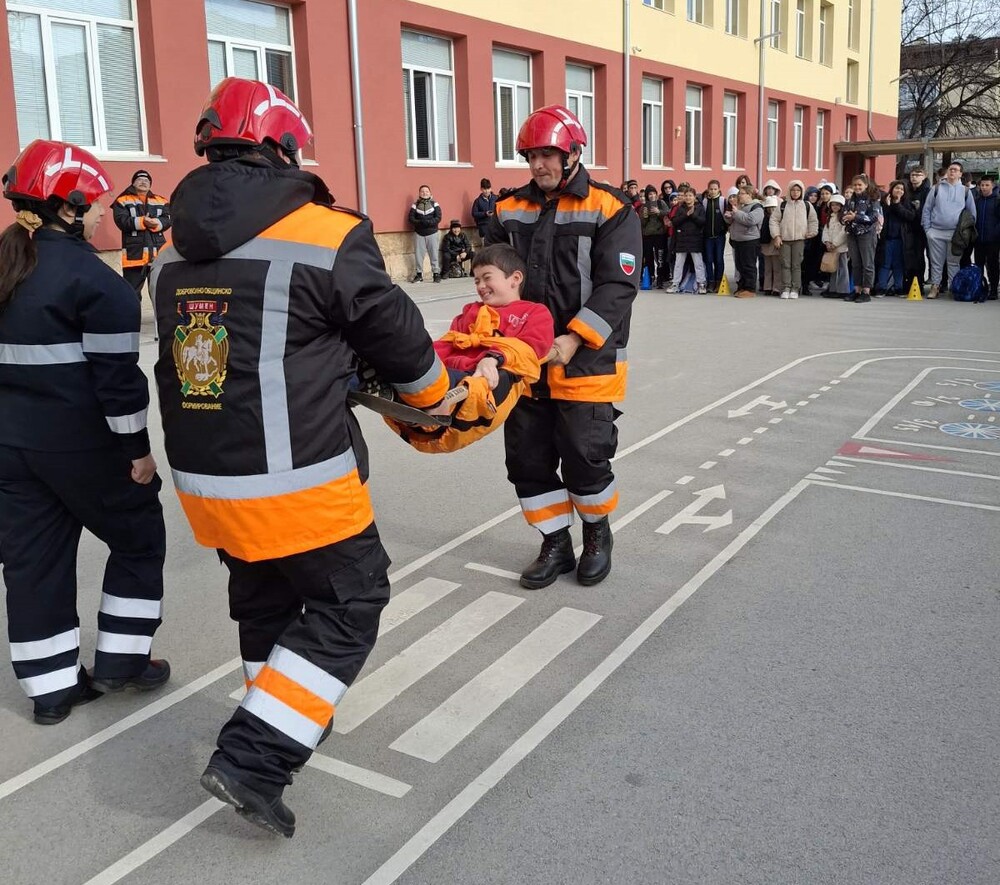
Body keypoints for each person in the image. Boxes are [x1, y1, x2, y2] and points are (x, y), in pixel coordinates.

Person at [150, 78, 450, 838]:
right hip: (300, 478)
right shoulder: (324, 232)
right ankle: (256, 755)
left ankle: (278, 711)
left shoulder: (166, 249)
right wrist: (434, 390)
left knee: (266, 600)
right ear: (284, 148)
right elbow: (394, 333)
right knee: (352, 601)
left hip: (209, 479)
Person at [0, 140, 168, 726]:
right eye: (95, 203)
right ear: (68, 208)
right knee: (139, 535)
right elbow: (118, 384)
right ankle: (123, 659)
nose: (104, 213)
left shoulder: (7, 267)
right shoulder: (97, 285)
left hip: (11, 452)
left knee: (32, 562)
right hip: (83, 449)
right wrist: (138, 453)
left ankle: (51, 691)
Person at [485, 104, 641, 590]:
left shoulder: (611, 207)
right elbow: (491, 278)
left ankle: (596, 534)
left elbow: (617, 285)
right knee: (527, 459)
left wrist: (575, 337)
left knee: (583, 453)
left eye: (549, 154)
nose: (539, 165)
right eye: (531, 156)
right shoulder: (508, 209)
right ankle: (555, 541)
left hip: (586, 357)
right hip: (524, 359)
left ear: (573, 153)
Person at [432, 243, 554, 397]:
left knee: (441, 387)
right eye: (477, 281)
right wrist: (426, 360)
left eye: (487, 278)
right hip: (449, 370)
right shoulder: (470, 311)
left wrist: (494, 357)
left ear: (515, 279)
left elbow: (531, 348)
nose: (481, 286)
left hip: (484, 380)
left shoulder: (534, 313)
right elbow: (448, 344)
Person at [922, 161, 976, 299]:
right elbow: (927, 209)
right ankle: (935, 286)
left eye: (955, 170)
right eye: (951, 169)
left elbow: (972, 214)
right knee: (936, 262)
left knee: (954, 262)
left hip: (955, 234)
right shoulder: (937, 188)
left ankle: (954, 287)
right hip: (936, 232)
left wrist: (965, 233)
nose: (952, 172)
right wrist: (928, 230)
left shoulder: (965, 191)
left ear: (960, 174)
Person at [112, 169, 171, 297]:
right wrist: (143, 222)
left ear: (150, 184)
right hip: (134, 255)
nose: (143, 182)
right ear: (133, 183)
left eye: (146, 180)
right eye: (139, 179)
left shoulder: (161, 200)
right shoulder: (122, 200)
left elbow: (169, 219)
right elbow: (121, 221)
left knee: (160, 292)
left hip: (157, 254)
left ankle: (160, 318)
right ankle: (131, 317)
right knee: (131, 292)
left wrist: (156, 223)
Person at [771, 180, 818, 299]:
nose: (795, 192)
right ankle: (786, 287)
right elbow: (774, 220)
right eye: (793, 190)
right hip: (784, 239)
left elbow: (813, 220)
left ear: (802, 191)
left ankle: (795, 288)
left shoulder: (806, 205)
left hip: (799, 239)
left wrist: (812, 232)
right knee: (785, 264)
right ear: (789, 191)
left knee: (796, 265)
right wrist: (776, 236)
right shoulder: (783, 205)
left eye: (798, 190)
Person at [843, 174, 883, 304]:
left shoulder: (873, 199)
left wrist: (856, 217)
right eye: (855, 185)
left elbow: (873, 218)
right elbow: (844, 213)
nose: (857, 187)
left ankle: (866, 291)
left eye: (860, 185)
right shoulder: (850, 199)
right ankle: (857, 290)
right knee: (856, 264)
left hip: (867, 234)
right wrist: (845, 218)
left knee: (867, 263)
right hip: (852, 234)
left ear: (866, 185)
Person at [876, 180, 916, 297]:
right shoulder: (884, 202)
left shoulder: (907, 203)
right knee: (885, 264)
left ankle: (899, 287)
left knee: (899, 265)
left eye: (902, 189)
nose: (899, 191)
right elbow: (881, 217)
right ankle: (881, 287)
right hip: (886, 239)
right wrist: (888, 206)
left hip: (901, 239)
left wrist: (897, 204)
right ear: (892, 189)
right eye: (897, 188)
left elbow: (910, 216)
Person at [666, 186, 707, 293]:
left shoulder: (699, 208)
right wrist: (686, 215)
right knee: (678, 263)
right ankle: (675, 284)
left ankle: (701, 283)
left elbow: (702, 222)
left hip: (695, 240)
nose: (688, 198)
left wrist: (692, 215)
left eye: (690, 196)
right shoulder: (680, 208)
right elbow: (675, 222)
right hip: (682, 240)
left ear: (694, 197)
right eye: (686, 196)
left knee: (698, 263)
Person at [726, 186, 763, 298]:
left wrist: (736, 213)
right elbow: (735, 220)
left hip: (750, 240)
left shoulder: (757, 207)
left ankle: (750, 289)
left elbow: (750, 220)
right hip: (738, 240)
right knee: (740, 265)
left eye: (742, 193)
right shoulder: (740, 207)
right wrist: (729, 216)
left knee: (749, 265)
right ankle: (742, 287)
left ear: (749, 195)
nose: (739, 196)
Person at [973, 173, 1000, 300]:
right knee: (978, 265)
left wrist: (995, 233)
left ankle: (993, 289)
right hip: (978, 240)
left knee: (993, 265)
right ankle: (980, 287)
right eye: (982, 185)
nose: (984, 187)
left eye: (987, 185)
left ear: (992, 186)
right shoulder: (977, 201)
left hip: (993, 240)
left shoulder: (997, 201)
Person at [408, 184, 442, 282]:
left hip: (432, 232)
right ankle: (419, 275)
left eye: (426, 191)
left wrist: (428, 222)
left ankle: (436, 274)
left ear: (430, 193)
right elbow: (410, 218)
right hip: (419, 233)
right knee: (419, 255)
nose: (424, 193)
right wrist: (419, 223)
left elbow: (438, 218)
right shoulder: (415, 205)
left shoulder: (435, 204)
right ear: (419, 193)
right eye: (422, 191)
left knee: (434, 254)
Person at [904, 166, 930, 287]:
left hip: (922, 228)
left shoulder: (927, 191)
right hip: (908, 228)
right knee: (909, 256)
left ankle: (919, 282)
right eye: (912, 175)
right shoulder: (906, 190)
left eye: (918, 175)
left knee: (920, 256)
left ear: (924, 177)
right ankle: (908, 281)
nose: (914, 177)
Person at [821, 194, 851, 297]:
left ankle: (843, 290)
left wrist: (835, 243)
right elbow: (826, 230)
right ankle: (833, 289)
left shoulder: (844, 217)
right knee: (833, 268)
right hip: (832, 248)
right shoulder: (830, 217)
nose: (835, 207)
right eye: (833, 205)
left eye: (837, 205)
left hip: (841, 248)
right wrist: (827, 242)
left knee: (843, 269)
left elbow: (844, 232)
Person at [701, 179, 729, 292]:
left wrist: (724, 229)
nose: (713, 191)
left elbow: (727, 217)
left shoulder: (722, 201)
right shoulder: (704, 202)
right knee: (708, 260)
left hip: (719, 236)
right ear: (708, 189)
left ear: (719, 189)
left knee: (719, 259)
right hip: (707, 237)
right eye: (711, 189)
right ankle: (710, 282)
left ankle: (718, 281)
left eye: (715, 189)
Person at [640, 185, 667, 288]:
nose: (652, 196)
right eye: (650, 194)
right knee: (648, 257)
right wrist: (645, 216)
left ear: (656, 194)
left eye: (653, 194)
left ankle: (660, 278)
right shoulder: (644, 206)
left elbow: (668, 213)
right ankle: (650, 277)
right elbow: (642, 222)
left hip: (659, 235)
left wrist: (659, 212)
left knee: (660, 257)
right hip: (647, 235)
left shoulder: (661, 203)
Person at [759, 195, 781, 297]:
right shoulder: (763, 218)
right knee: (767, 268)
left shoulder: (779, 218)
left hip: (775, 244)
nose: (771, 210)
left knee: (777, 268)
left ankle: (776, 288)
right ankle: (767, 287)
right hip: (766, 245)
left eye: (773, 207)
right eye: (769, 207)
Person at [471, 178, 497, 245]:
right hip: (484, 228)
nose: (486, 191)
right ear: (481, 189)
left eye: (488, 189)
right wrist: (485, 213)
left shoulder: (495, 198)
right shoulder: (477, 201)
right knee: (486, 250)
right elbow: (474, 213)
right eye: (484, 189)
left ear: (491, 188)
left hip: (495, 228)